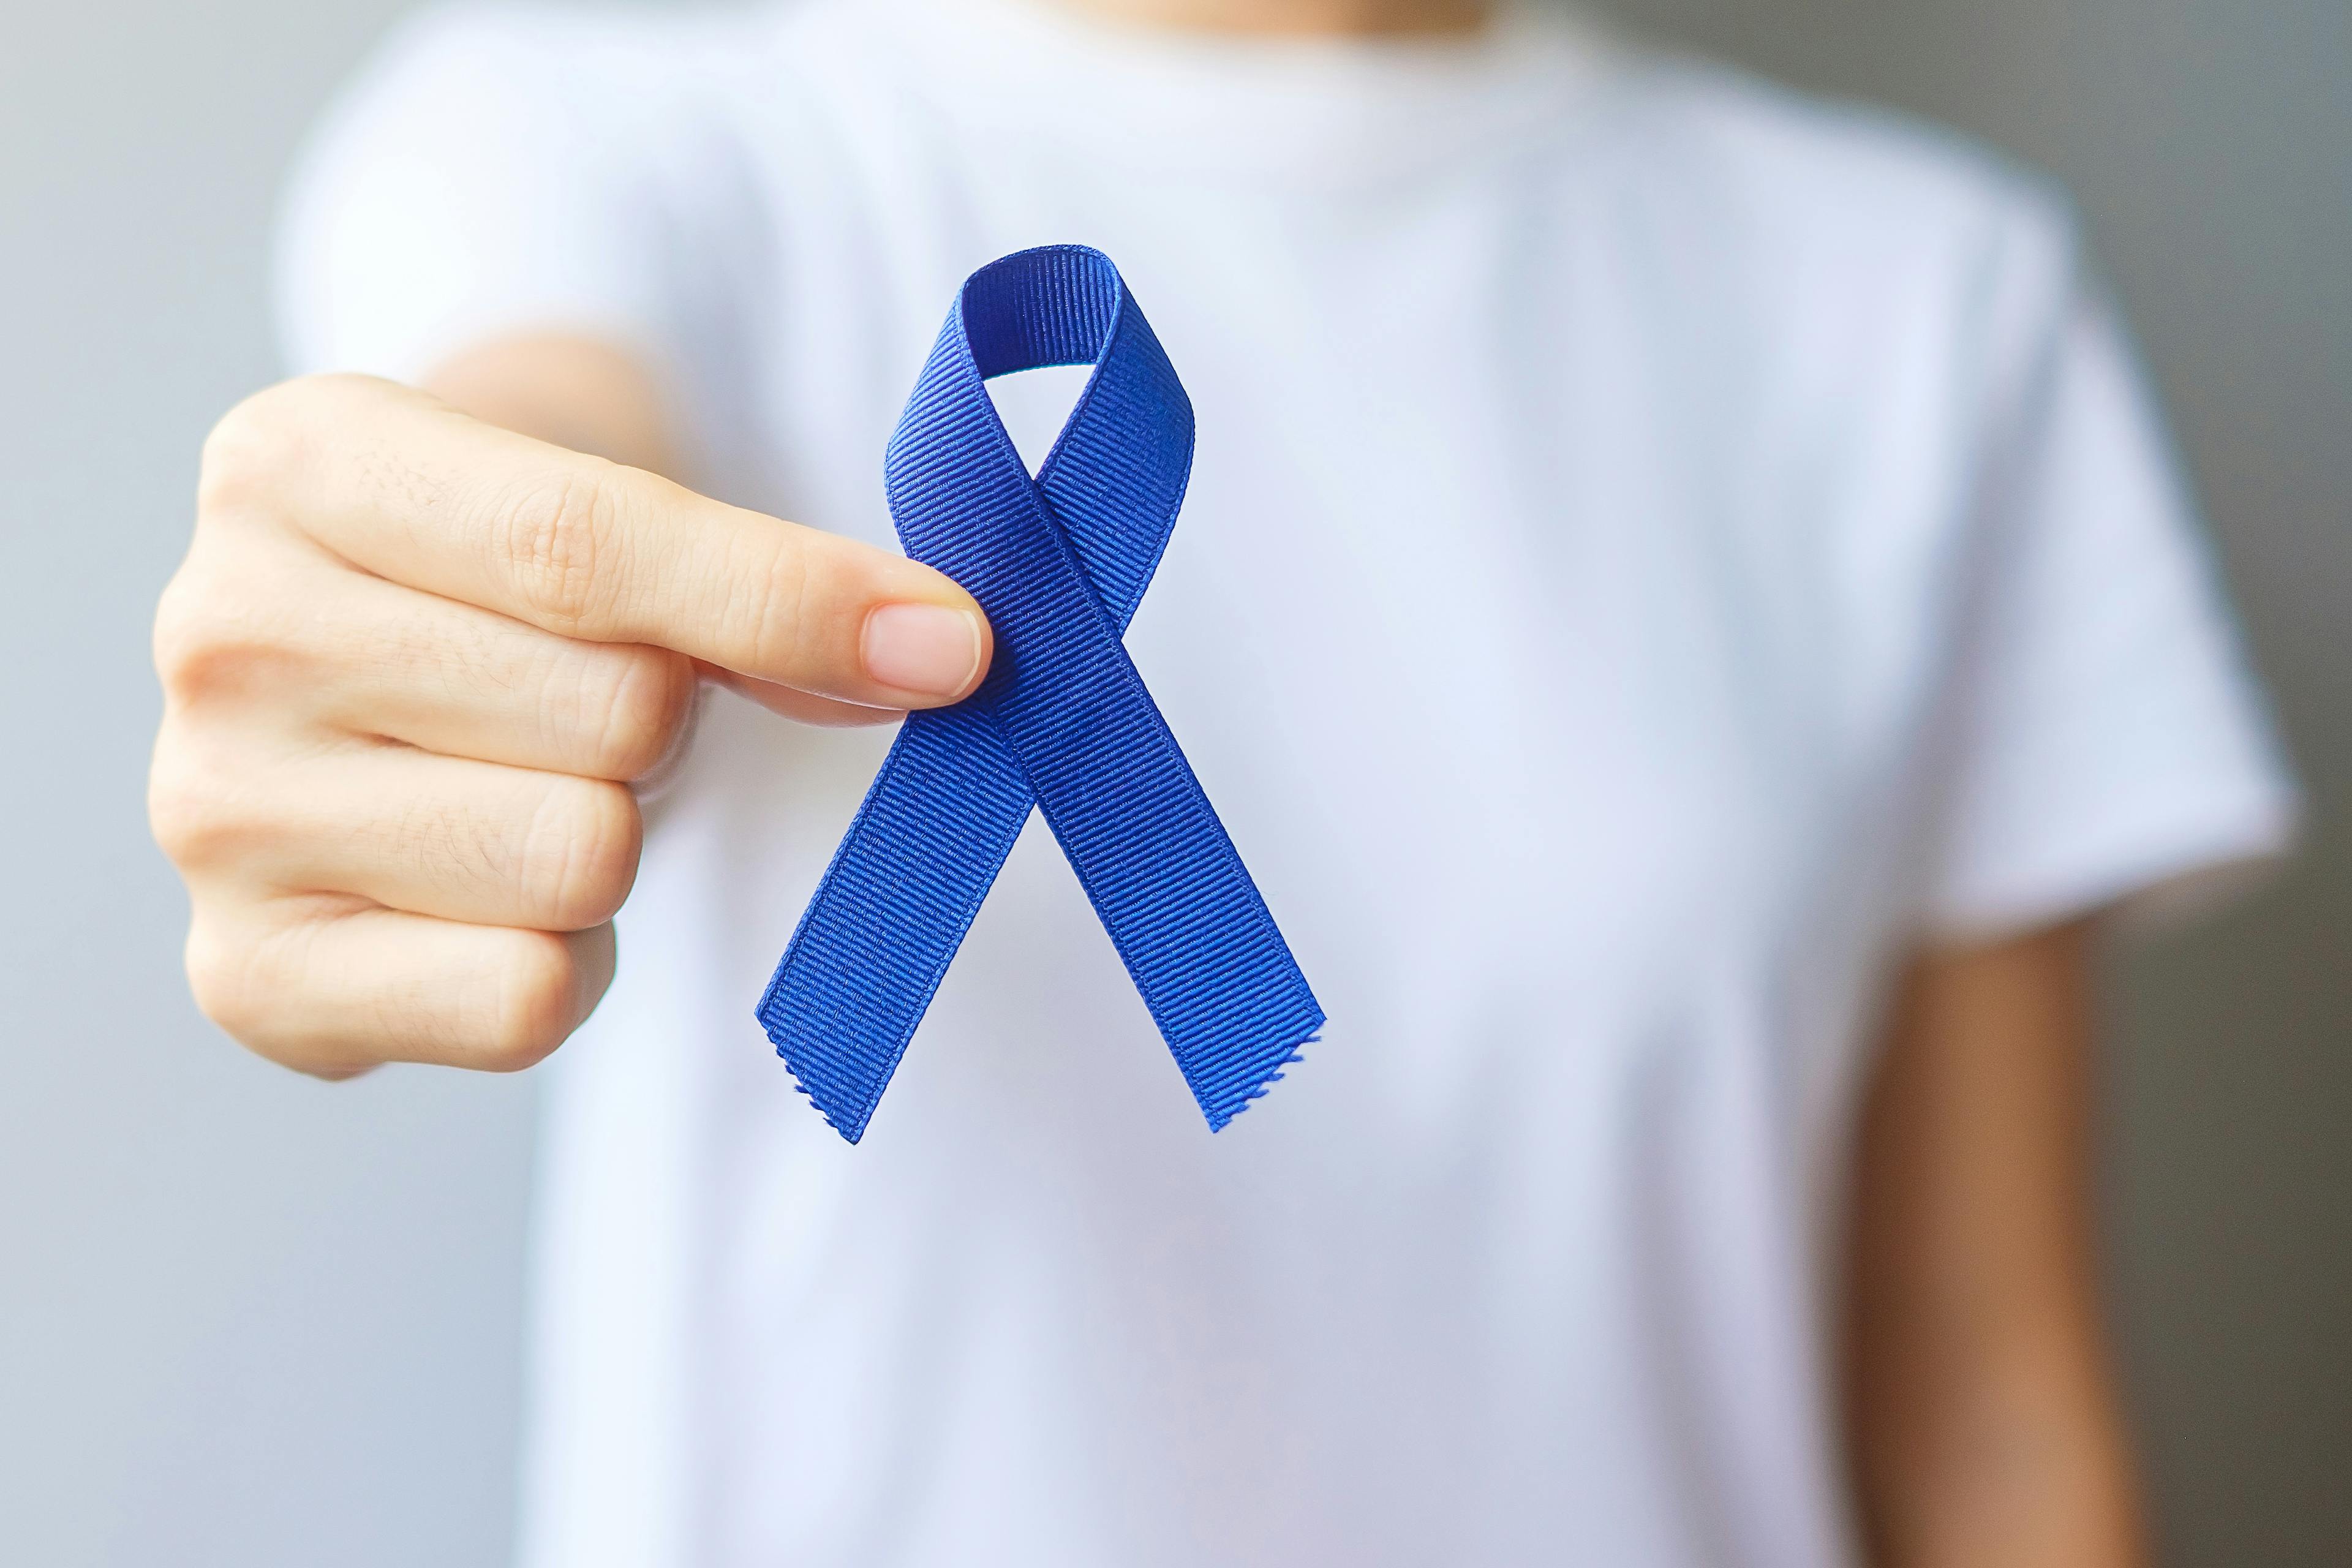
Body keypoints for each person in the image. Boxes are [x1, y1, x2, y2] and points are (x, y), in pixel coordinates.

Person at [146, 0, 2295, 1562]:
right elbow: (535, 438)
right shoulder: (617, 151)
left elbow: (1989, 1420)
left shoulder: (1926, 310)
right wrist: (457, 623)